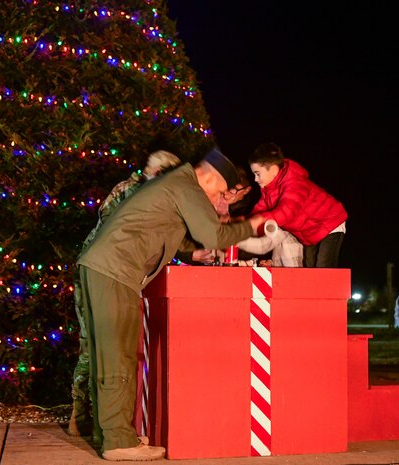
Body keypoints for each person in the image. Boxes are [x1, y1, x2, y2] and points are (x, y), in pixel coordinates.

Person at [76, 147, 265, 461]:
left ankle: (111, 433)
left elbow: (165, 229)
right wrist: (253, 224)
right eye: (219, 191)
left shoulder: (176, 184)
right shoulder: (186, 185)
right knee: (118, 354)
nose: (217, 199)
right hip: (116, 270)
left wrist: (192, 254)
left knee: (109, 354)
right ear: (209, 177)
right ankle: (118, 442)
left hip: (105, 268)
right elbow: (213, 234)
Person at [68, 150, 182, 438]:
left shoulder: (141, 193)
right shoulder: (130, 192)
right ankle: (85, 416)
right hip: (103, 272)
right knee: (97, 345)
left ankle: (92, 419)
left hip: (106, 270)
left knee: (99, 345)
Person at [247, 142, 348, 268]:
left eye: (257, 174)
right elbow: (259, 209)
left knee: (323, 267)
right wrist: (242, 224)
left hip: (330, 223)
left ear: (273, 170)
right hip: (311, 233)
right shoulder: (269, 191)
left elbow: (286, 212)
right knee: (309, 269)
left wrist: (260, 220)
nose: (255, 179)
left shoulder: (294, 183)